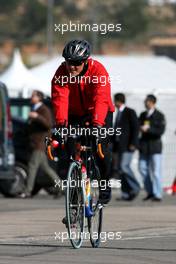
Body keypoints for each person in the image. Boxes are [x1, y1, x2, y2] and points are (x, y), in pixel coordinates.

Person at [51, 39, 115, 208]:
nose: (72, 67)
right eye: (69, 62)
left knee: (101, 149)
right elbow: (60, 99)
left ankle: (104, 184)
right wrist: (60, 125)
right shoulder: (61, 73)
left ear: (86, 61)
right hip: (74, 114)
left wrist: (97, 124)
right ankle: (73, 203)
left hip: (99, 112)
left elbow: (101, 98)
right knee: (70, 151)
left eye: (77, 63)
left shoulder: (98, 71)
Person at [20, 90, 59, 198]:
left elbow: (48, 124)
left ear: (39, 98)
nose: (31, 98)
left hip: (40, 143)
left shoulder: (43, 109)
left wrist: (37, 116)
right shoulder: (35, 109)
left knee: (32, 167)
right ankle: (61, 188)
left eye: (33, 96)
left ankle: (28, 191)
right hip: (36, 144)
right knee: (46, 168)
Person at [112, 93, 140, 200]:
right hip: (119, 146)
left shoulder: (129, 112)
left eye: (115, 101)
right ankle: (126, 193)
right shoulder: (118, 113)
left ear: (119, 101)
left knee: (124, 166)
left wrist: (133, 143)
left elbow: (135, 128)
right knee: (120, 169)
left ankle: (135, 187)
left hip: (128, 146)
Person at [139, 94, 166, 201]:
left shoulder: (159, 115)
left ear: (152, 102)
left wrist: (149, 129)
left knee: (156, 171)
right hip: (144, 146)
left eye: (148, 101)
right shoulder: (142, 115)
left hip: (155, 147)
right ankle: (150, 191)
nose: (146, 103)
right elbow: (137, 126)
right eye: (145, 101)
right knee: (142, 169)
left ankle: (157, 194)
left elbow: (161, 131)